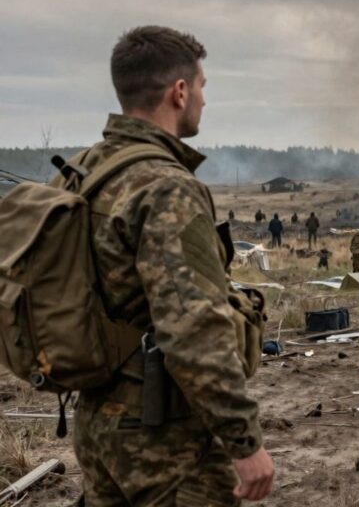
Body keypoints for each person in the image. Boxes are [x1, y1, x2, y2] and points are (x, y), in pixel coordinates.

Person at [71, 26, 272, 505]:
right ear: (179, 92)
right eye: (202, 86)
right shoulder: (166, 187)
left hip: (97, 423)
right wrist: (244, 441)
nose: (203, 99)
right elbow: (194, 329)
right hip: (164, 438)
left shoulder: (86, 171)